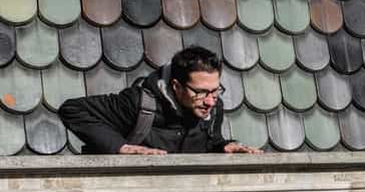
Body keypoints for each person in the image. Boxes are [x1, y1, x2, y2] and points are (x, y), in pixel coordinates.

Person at [59, 46, 262, 155]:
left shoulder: (214, 108)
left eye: (215, 91)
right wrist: (120, 147)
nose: (210, 101)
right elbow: (72, 109)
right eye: (200, 92)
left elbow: (207, 143)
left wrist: (223, 146)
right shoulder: (137, 103)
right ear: (176, 87)